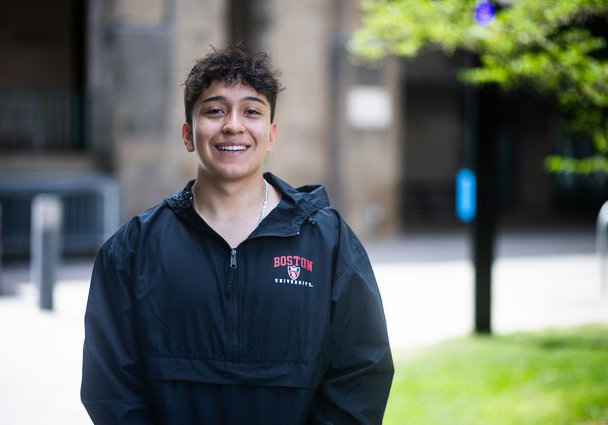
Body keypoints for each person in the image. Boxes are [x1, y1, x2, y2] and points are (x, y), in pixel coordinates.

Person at [81, 47, 393, 425]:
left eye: (251, 111)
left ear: (271, 134)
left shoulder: (328, 241)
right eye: (214, 110)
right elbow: (111, 388)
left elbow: (362, 372)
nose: (233, 125)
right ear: (187, 134)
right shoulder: (133, 250)